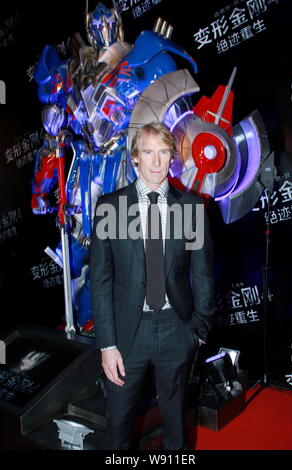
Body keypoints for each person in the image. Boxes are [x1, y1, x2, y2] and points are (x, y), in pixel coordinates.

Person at [90, 122, 216, 450]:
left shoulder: (191, 207)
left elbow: (203, 274)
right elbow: (100, 281)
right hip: (126, 334)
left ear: (172, 157)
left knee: (176, 426)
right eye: (148, 152)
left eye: (163, 152)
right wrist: (106, 345)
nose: (157, 161)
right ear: (135, 157)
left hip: (177, 328)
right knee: (118, 428)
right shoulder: (109, 207)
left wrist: (198, 330)